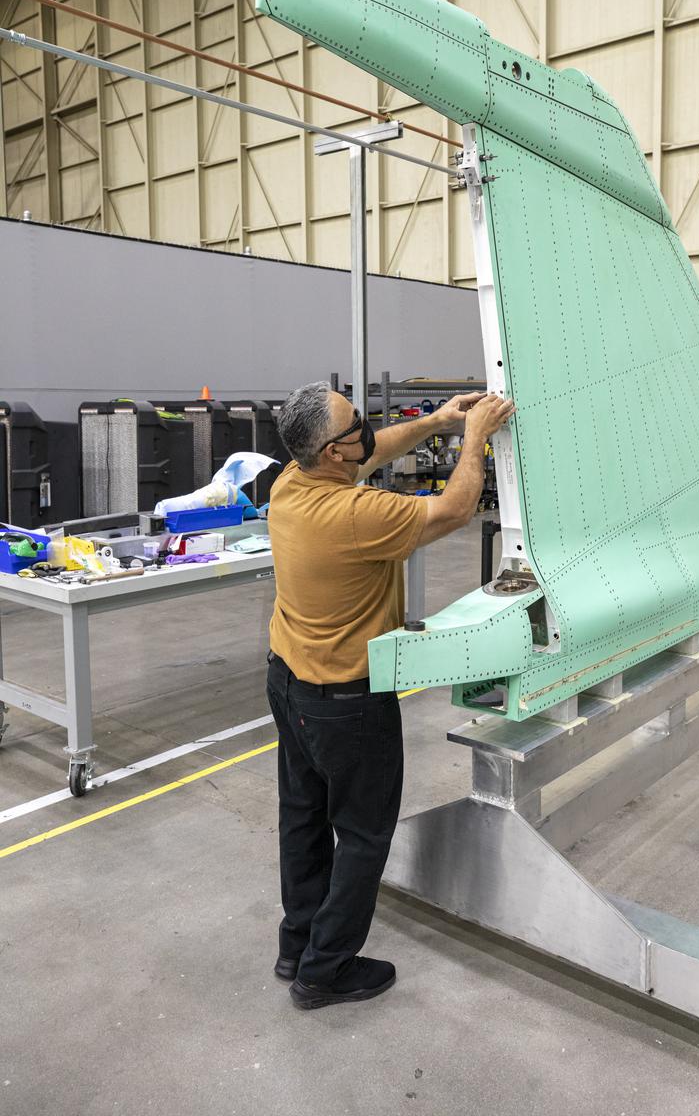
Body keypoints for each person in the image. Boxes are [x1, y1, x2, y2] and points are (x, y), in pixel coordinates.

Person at [266, 382, 515, 1010]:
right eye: (355, 427)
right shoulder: (355, 516)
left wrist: (438, 420)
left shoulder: (290, 483)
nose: (367, 433)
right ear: (331, 454)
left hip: (290, 682)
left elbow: (375, 451)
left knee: (303, 816)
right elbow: (454, 511)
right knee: (364, 833)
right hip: (346, 701)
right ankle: (325, 970)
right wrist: (477, 437)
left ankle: (297, 944)